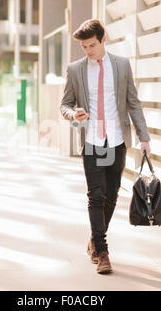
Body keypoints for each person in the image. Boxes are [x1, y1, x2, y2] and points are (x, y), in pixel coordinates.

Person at [60, 19, 151, 274]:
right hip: (92, 141)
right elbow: (64, 105)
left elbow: (133, 102)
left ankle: (93, 241)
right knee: (95, 196)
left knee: (111, 195)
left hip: (116, 140)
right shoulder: (76, 70)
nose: (88, 51)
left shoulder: (121, 66)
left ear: (103, 40)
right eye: (84, 47)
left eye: (91, 45)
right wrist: (73, 114)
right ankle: (102, 251)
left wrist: (144, 138)